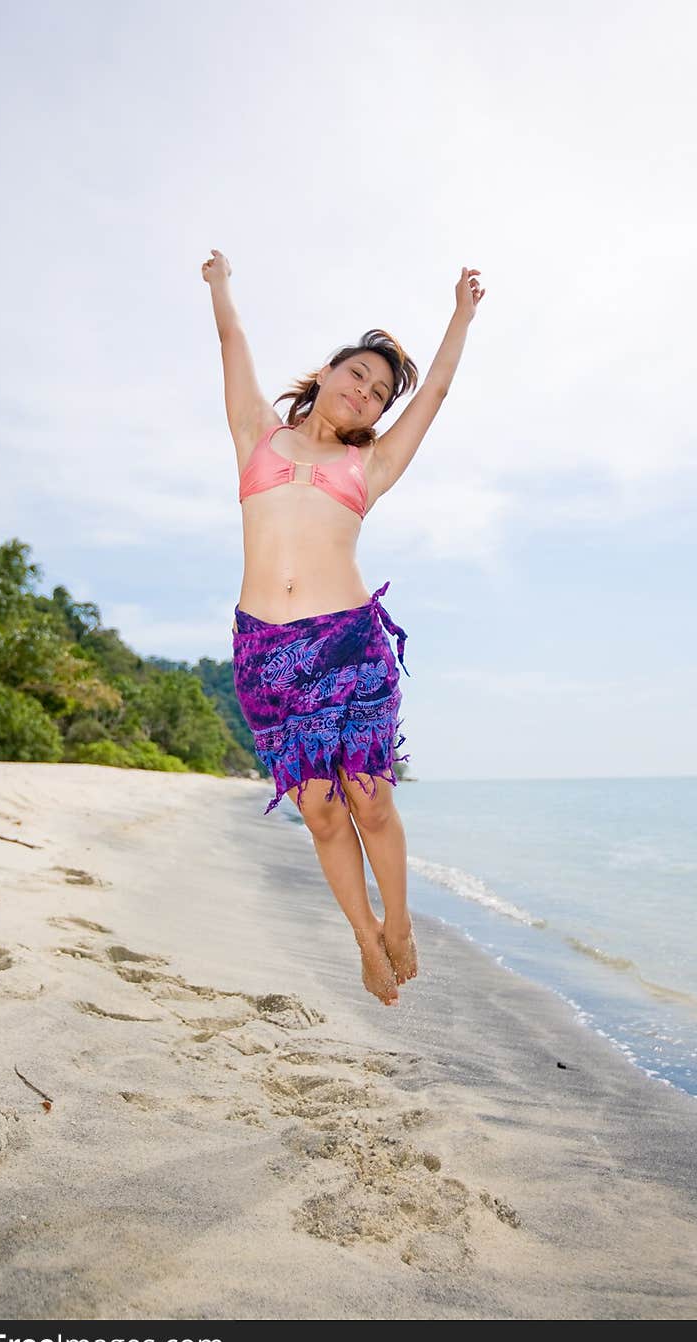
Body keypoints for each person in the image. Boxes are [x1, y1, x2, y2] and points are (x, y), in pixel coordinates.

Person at [201, 248, 485, 1007]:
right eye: (357, 374)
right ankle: (364, 940)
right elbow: (233, 347)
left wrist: (460, 314)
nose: (366, 392)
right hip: (265, 655)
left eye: (380, 392)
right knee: (321, 813)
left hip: (349, 647)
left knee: (370, 798)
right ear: (326, 374)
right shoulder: (256, 437)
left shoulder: (373, 467)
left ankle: (399, 924)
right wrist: (222, 285)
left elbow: (442, 391)